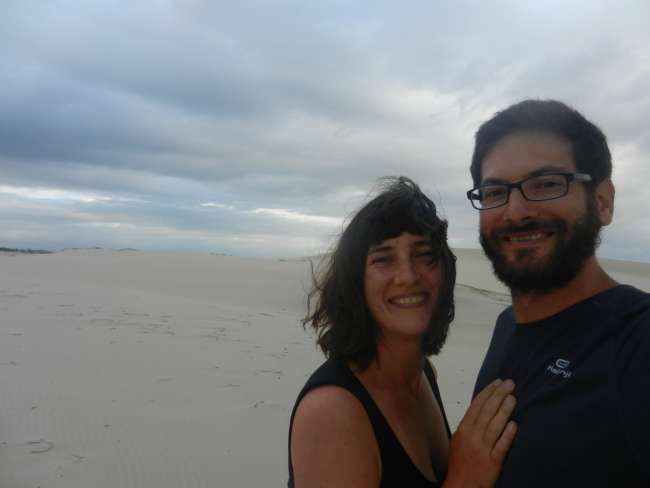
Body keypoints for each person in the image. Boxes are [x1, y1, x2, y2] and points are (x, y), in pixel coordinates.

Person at [288, 177, 517, 488]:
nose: (408, 276)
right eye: (383, 259)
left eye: (424, 255)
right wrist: (465, 479)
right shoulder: (332, 410)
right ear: (356, 282)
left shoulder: (422, 375)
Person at [466, 99, 650, 487]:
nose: (515, 212)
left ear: (602, 201)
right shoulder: (508, 325)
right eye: (495, 191)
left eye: (546, 184)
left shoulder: (637, 342)